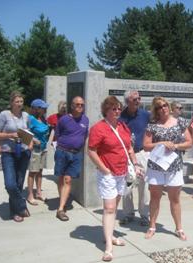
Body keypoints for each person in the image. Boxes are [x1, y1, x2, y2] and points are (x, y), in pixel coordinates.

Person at [88, 96, 141, 262]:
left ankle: (109, 236)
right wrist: (105, 170)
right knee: (109, 208)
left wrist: (136, 164)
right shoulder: (98, 128)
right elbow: (91, 151)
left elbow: (129, 147)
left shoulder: (123, 126)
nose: (117, 111)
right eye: (113, 108)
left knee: (114, 206)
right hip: (108, 174)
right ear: (106, 110)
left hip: (123, 172)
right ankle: (109, 248)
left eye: (119, 108)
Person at [143, 97, 192, 240]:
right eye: (158, 107)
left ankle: (179, 228)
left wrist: (175, 146)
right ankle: (152, 226)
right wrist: (162, 143)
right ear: (155, 110)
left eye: (164, 105)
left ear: (169, 106)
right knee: (155, 198)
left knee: (175, 199)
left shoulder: (181, 122)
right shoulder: (152, 125)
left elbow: (189, 142)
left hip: (174, 166)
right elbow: (146, 145)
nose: (162, 108)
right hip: (156, 166)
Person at [0, 91, 32, 222]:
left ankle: (15, 212)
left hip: (24, 153)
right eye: (17, 102)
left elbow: (29, 132)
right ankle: (21, 205)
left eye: (21, 101)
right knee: (10, 184)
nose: (19, 104)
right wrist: (10, 135)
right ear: (11, 103)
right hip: (8, 153)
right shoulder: (4, 115)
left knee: (19, 183)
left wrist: (31, 143)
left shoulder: (26, 115)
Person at [54, 96, 89, 221]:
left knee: (68, 180)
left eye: (82, 105)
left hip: (76, 154)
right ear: (72, 106)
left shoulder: (86, 120)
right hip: (62, 152)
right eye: (77, 104)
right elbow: (57, 135)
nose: (80, 106)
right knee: (61, 177)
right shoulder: (64, 120)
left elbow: (85, 136)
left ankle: (61, 208)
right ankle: (62, 201)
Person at [119, 90, 150, 226]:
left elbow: (153, 130)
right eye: (134, 99)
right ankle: (128, 213)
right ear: (127, 102)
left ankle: (144, 215)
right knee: (127, 185)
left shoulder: (145, 115)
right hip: (125, 155)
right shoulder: (120, 116)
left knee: (144, 185)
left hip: (142, 154)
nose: (138, 101)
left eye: (139, 98)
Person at [26, 99, 50, 205]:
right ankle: (30, 195)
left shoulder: (43, 119)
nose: (45, 109)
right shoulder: (30, 119)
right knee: (32, 172)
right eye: (43, 108)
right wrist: (33, 140)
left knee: (40, 171)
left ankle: (39, 192)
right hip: (35, 149)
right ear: (36, 109)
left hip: (43, 149)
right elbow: (25, 132)